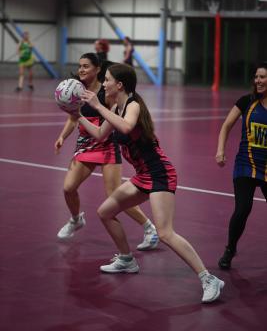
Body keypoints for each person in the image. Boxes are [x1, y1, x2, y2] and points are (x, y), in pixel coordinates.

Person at [78, 63, 224, 303]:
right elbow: (98, 134)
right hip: (142, 176)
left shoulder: (133, 105)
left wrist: (96, 106)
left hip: (159, 174)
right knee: (105, 212)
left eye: (106, 80)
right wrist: (78, 116)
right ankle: (126, 259)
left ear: (119, 85)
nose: (103, 84)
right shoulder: (116, 106)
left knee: (165, 233)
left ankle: (209, 279)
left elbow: (126, 126)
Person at [55, 53, 159, 251]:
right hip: (86, 143)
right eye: (80, 66)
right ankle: (76, 219)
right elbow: (73, 117)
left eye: (86, 66)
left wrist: (99, 108)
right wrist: (62, 136)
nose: (81, 70)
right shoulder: (77, 89)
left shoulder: (106, 93)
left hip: (106, 143)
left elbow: (114, 118)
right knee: (68, 188)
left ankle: (149, 228)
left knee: (114, 194)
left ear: (97, 69)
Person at [216, 63, 267, 270]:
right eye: (256, 77)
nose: (258, 81)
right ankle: (230, 249)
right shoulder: (246, 102)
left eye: (262, 77)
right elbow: (226, 125)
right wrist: (220, 150)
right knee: (243, 209)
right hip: (245, 165)